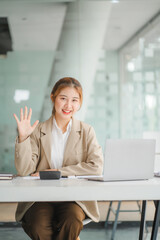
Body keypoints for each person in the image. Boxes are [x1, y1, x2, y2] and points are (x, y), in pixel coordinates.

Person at [13, 77, 103, 240]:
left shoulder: (87, 131)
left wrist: (58, 172)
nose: (69, 105)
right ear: (53, 97)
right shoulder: (37, 131)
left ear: (80, 103)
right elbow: (24, 170)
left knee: (72, 220)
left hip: (74, 196)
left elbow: (96, 166)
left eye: (74, 100)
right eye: (63, 98)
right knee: (37, 224)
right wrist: (23, 138)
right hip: (40, 197)